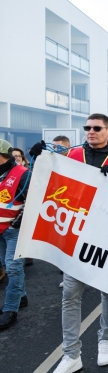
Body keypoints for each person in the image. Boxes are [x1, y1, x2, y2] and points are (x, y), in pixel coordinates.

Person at [29, 113, 108, 372]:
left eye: (96, 128)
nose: (90, 131)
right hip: (76, 233)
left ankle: (105, 339)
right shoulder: (72, 154)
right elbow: (47, 180)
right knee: (70, 293)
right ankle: (72, 354)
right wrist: (36, 160)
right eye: (87, 128)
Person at [0, 140, 30, 331]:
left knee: (13, 268)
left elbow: (33, 200)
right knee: (5, 264)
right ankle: (22, 297)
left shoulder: (23, 173)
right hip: (1, 229)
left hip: (13, 230)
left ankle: (10, 310)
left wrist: (17, 221)